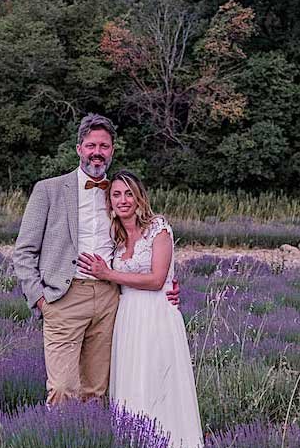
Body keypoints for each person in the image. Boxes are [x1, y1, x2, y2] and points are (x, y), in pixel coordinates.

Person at [13, 114, 178, 406]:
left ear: (112, 150)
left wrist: (168, 284)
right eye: (91, 145)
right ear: (79, 149)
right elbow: (24, 252)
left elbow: (145, 242)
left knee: (97, 390)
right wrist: (40, 300)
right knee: (63, 387)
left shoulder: (118, 192)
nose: (97, 152)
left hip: (110, 300)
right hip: (63, 297)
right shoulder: (49, 190)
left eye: (104, 146)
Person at [78, 170, 205, 448]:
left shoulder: (158, 229)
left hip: (157, 315)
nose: (123, 200)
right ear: (109, 202)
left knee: (158, 381)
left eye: (128, 194)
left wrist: (109, 273)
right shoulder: (116, 239)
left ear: (139, 197)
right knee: (131, 386)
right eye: (116, 195)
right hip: (127, 318)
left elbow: (158, 279)